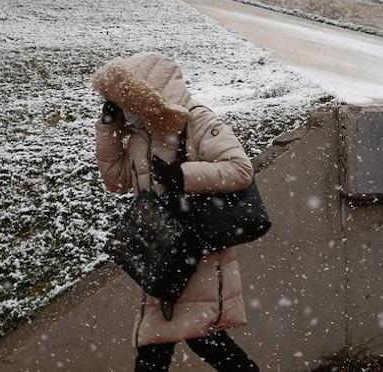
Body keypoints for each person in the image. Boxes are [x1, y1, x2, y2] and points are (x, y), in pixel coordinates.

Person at [94, 51, 261, 372]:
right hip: (165, 254)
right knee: (181, 342)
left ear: (149, 94)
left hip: (197, 252)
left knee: (180, 342)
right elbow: (115, 181)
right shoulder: (140, 136)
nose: (126, 110)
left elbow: (241, 169)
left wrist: (182, 176)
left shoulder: (198, 120)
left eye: (128, 101)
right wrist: (108, 128)